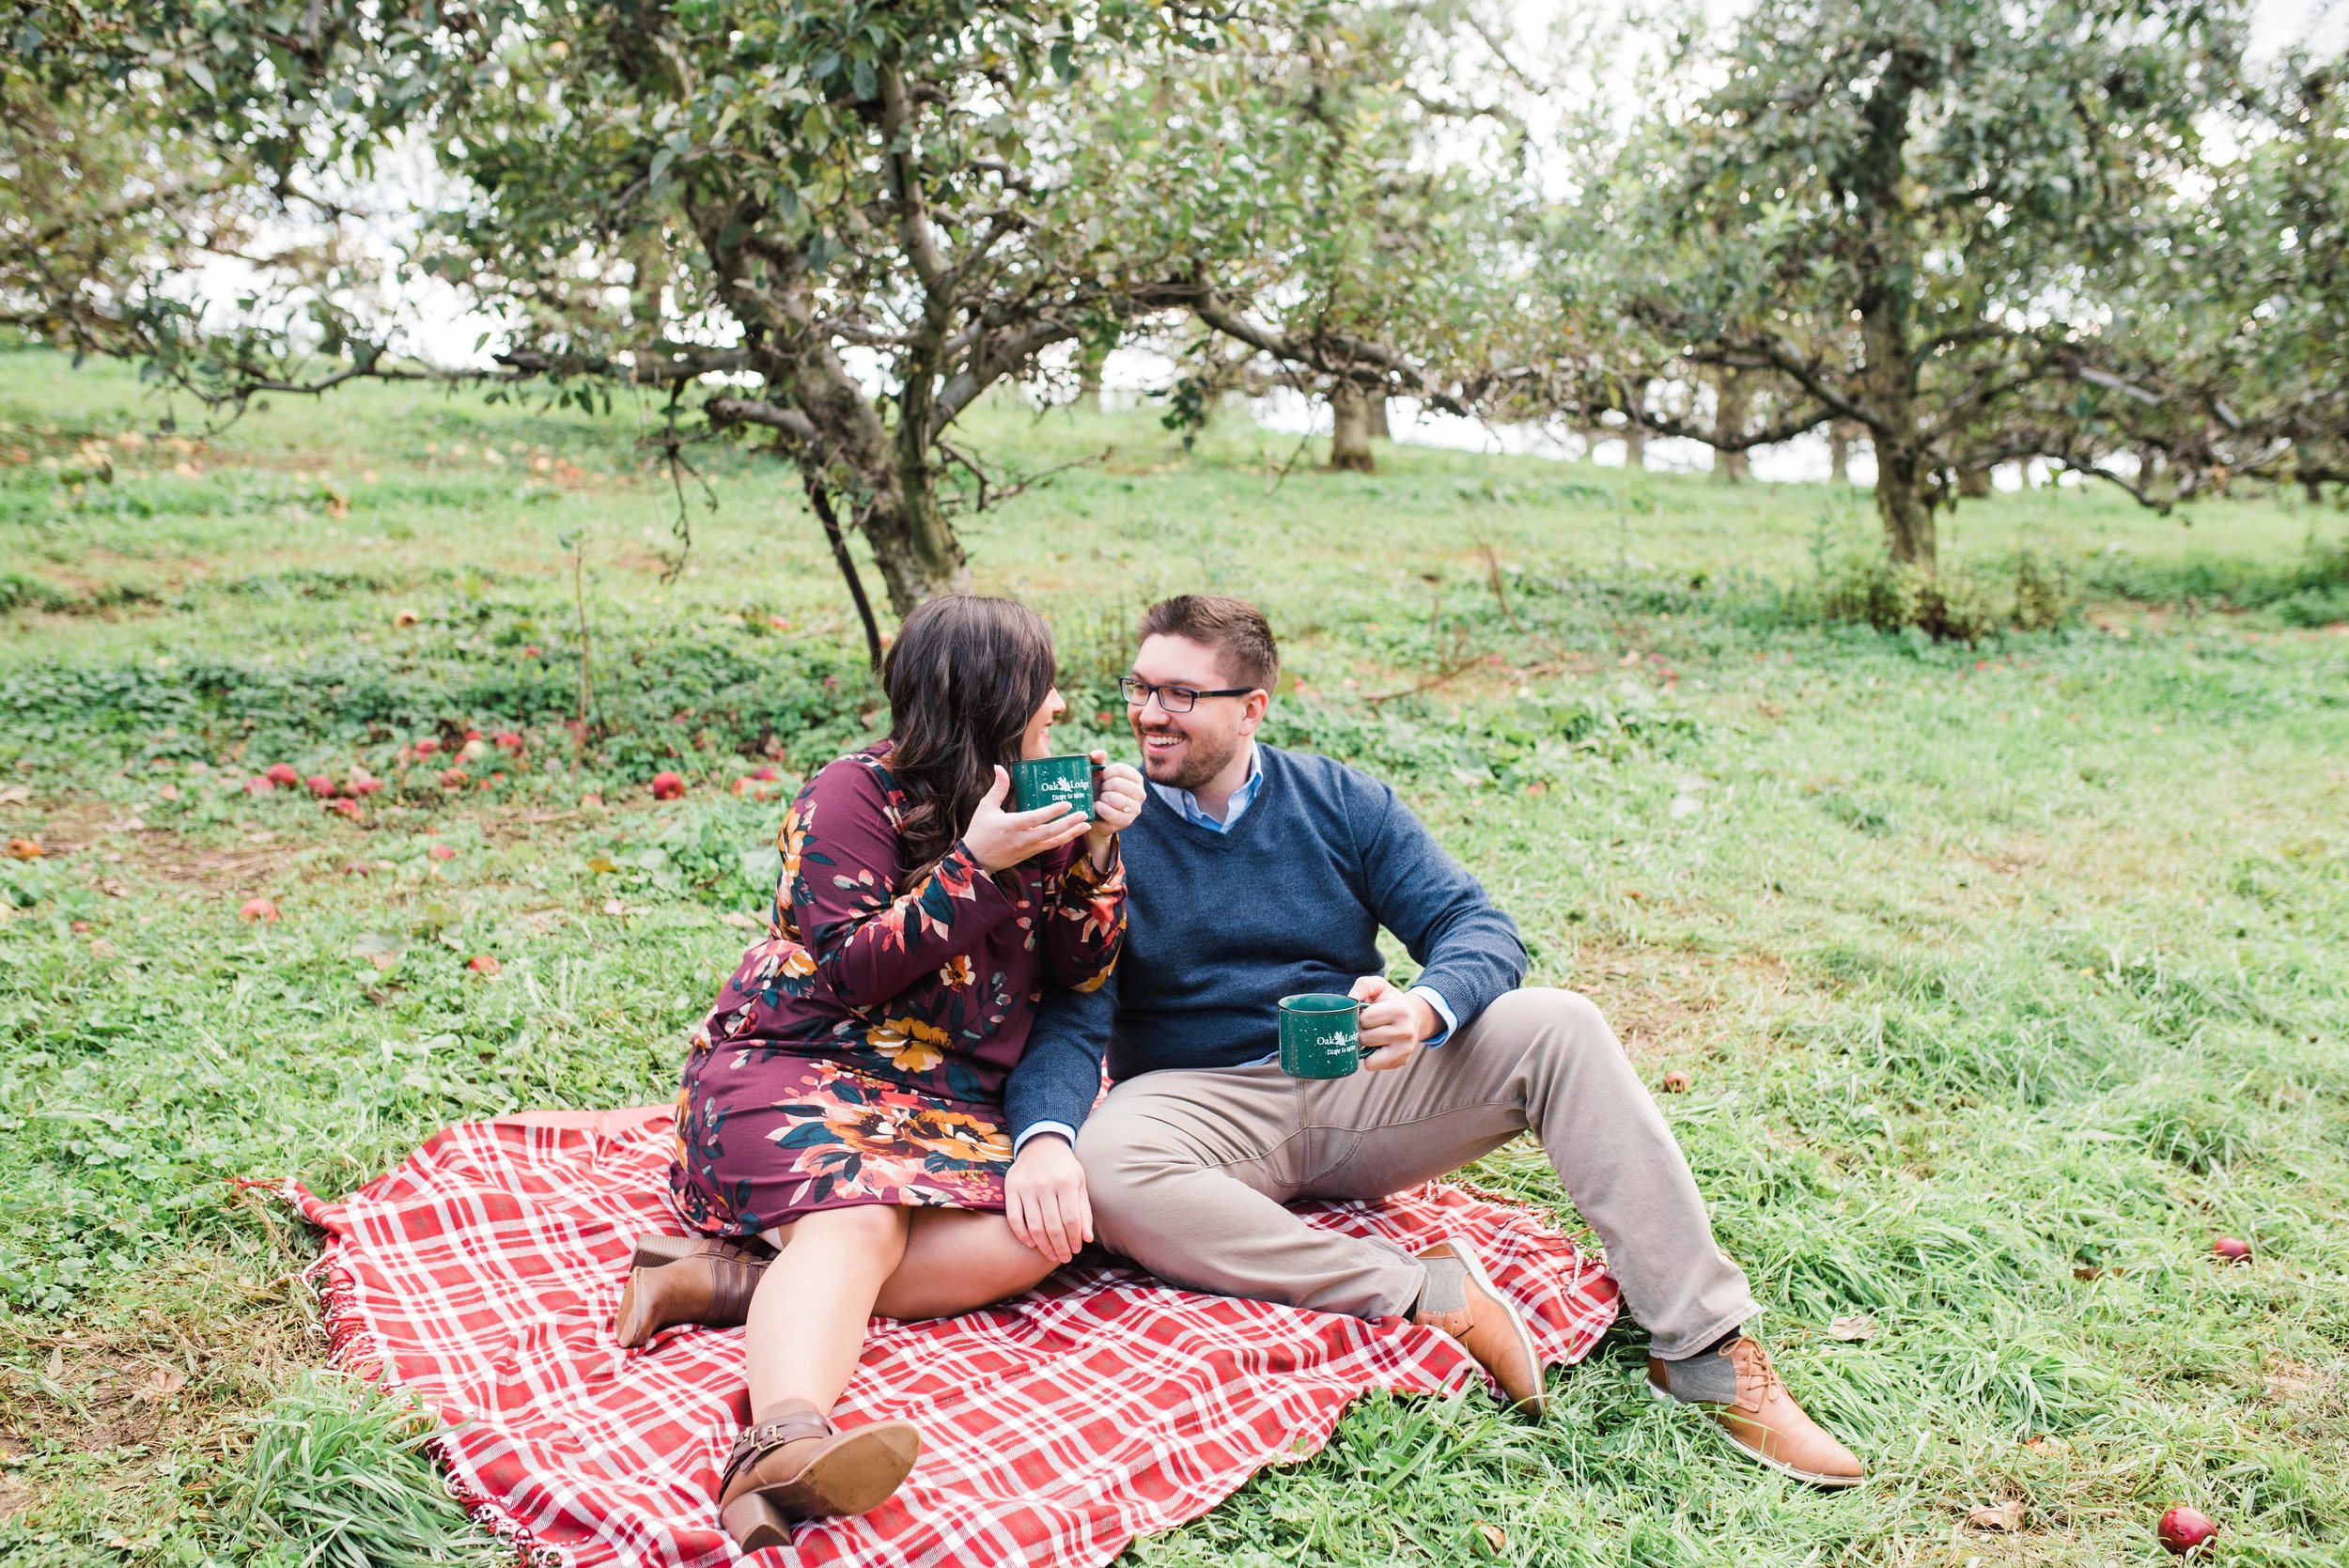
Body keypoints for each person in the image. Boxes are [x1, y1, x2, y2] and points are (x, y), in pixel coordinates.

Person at [1002, 593, 1865, 1490]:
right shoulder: (1104, 829)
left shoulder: (1339, 800)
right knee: (1106, 1160)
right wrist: (1047, 1140)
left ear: (1253, 705)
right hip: (1205, 1105)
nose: (1148, 713)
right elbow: (1071, 1008)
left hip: (1363, 1082)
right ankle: (1424, 1291)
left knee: (1562, 1023)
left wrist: (1425, 1007)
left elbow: (1476, 925)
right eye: (1140, 688)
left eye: (1180, 695)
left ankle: (1704, 1351)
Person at [623, 594, 1144, 1549]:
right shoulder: (849, 797)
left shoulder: (1045, 801)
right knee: (859, 1214)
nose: (1060, 705)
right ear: (993, 700)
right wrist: (978, 865)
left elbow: (1081, 972)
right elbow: (855, 967)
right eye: (1043, 686)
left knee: (1045, 1231)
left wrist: (1098, 848)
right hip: (798, 1061)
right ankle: (778, 1444)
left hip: (940, 1095)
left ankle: (728, 1279)